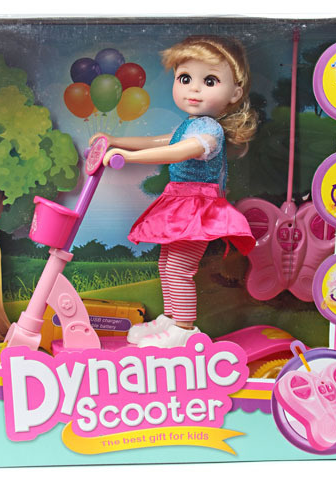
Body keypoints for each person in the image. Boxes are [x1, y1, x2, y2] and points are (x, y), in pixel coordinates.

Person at [96, 35, 257, 347]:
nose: (194, 89)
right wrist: (116, 141)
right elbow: (161, 141)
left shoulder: (209, 131)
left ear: (235, 92)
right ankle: (171, 319)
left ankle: (184, 328)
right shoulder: (190, 124)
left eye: (209, 81)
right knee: (166, 264)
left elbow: (177, 151)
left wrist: (129, 158)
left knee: (180, 268)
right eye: (185, 78)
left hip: (198, 209)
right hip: (181, 204)